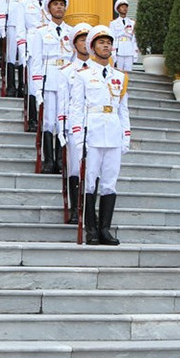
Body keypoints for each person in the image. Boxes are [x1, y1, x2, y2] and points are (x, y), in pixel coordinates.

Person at [70, 25, 131, 245]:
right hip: (92, 133)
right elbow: (76, 108)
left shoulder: (120, 77)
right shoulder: (83, 75)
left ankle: (105, 229)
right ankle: (91, 229)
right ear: (92, 47)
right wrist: (78, 137)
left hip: (113, 132)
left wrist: (126, 135)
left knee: (109, 183)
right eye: (101, 43)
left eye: (109, 43)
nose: (106, 46)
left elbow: (123, 109)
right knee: (89, 182)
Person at [27, 0, 72, 173]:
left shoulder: (72, 32)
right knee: (48, 122)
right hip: (49, 81)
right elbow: (36, 62)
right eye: (55, 4)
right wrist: (37, 88)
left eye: (61, 4)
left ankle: (61, 160)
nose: (59, 7)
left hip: (66, 81)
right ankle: (48, 160)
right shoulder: (41, 32)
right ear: (49, 8)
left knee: (64, 121)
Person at [57, 22, 93, 224]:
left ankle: (89, 210)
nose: (85, 44)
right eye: (81, 40)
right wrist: (61, 128)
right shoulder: (66, 71)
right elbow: (62, 102)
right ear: (74, 44)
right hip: (74, 126)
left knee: (92, 170)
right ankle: (75, 208)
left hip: (95, 125)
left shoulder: (99, 71)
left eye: (88, 40)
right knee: (74, 169)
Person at [11, 0, 50, 99]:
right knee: (33, 80)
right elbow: (21, 30)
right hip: (32, 44)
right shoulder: (24, 4)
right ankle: (33, 109)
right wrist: (23, 52)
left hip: (48, 44)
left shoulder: (52, 3)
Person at [109, 0, 138, 73]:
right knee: (118, 72)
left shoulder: (132, 22)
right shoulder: (113, 23)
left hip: (129, 49)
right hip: (119, 49)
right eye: (122, 7)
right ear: (118, 9)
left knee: (128, 72)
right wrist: (113, 52)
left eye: (126, 7)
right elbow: (112, 38)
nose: (124, 9)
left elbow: (134, 38)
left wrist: (135, 51)